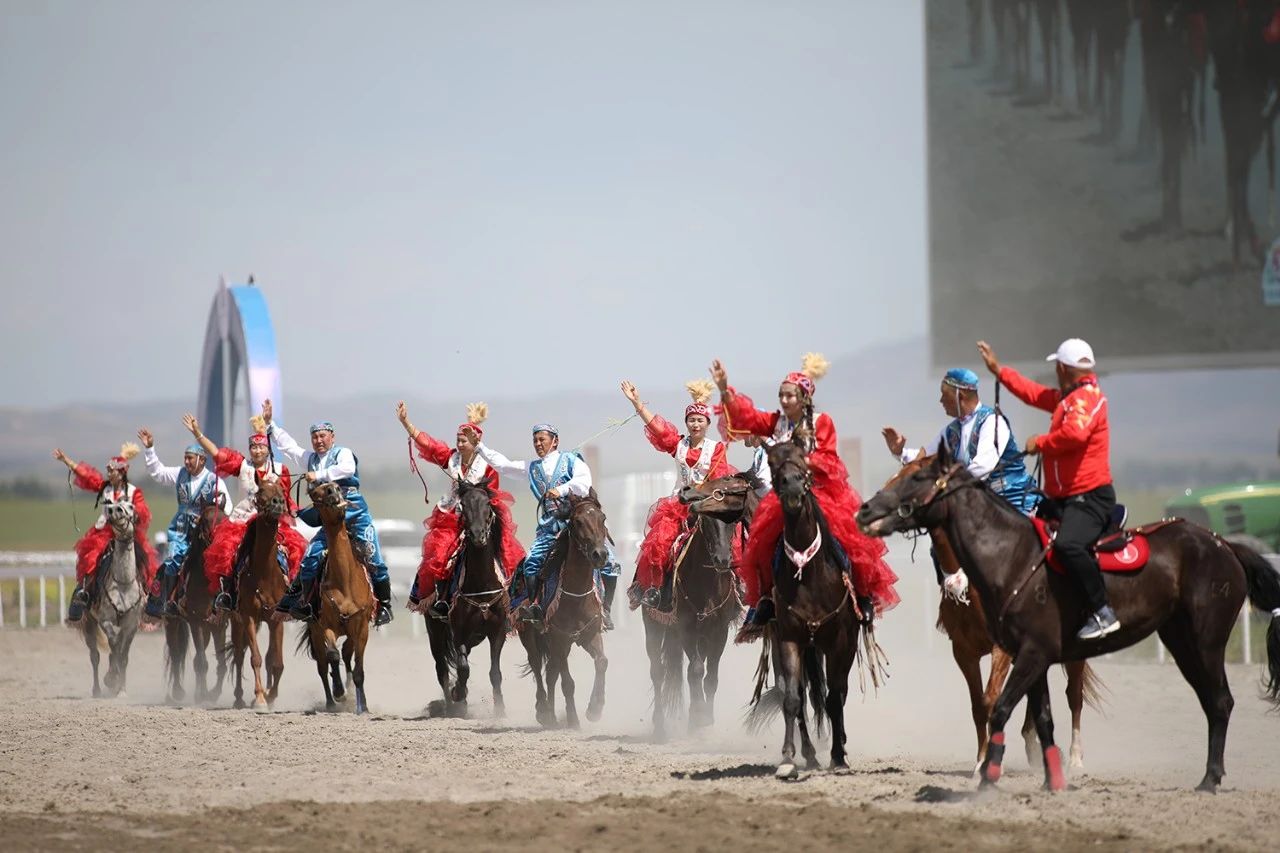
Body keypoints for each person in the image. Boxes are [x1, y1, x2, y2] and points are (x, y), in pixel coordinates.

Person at [713, 353, 900, 630]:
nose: (784, 400)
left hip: (820, 493)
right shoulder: (776, 422)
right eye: (781, 395)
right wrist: (725, 389)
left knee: (844, 541)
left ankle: (861, 596)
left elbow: (829, 458)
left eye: (790, 395)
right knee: (763, 544)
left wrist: (798, 461)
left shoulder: (821, 422)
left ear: (804, 396)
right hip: (783, 498)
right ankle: (766, 598)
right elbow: (746, 417)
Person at [978, 338, 1119, 640]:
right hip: (1065, 498)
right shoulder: (1068, 399)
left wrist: (1039, 442)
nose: (1055, 371)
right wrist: (999, 371)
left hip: (1088, 498)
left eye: (1057, 367)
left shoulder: (1086, 400)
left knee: (1068, 545)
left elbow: (1075, 434)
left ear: (1063, 368)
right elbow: (1034, 394)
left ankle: (1102, 610)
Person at [261, 399, 394, 626]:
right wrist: (270, 424)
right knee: (309, 559)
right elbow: (289, 447)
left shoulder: (343, 453)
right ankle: (306, 604)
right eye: (315, 437)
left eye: (323, 436)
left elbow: (348, 469)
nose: (319, 440)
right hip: (329, 521)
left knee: (375, 559)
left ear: (332, 437)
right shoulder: (310, 459)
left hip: (355, 516)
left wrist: (320, 476)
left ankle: (385, 606)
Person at [471, 424, 620, 626]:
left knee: (609, 561)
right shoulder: (532, 467)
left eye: (542, 439)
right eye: (535, 440)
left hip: (578, 523)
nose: (538, 444)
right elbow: (503, 465)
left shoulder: (571, 460)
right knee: (531, 562)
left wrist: (562, 489)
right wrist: (479, 446)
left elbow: (584, 483)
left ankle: (607, 610)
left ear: (555, 441)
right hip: (550, 526)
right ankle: (535, 607)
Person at [396, 401, 525, 617]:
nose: (460, 443)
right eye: (458, 439)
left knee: (508, 554)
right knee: (438, 555)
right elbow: (428, 445)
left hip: (481, 518)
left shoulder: (488, 465)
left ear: (475, 441)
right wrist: (406, 423)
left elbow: (491, 496)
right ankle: (439, 599)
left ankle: (513, 601)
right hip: (452, 517)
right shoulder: (451, 458)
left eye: (464, 440)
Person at [621, 378, 732, 611]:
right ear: (686, 422)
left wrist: (703, 495)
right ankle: (651, 589)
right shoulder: (678, 444)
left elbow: (719, 478)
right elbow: (657, 429)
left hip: (706, 506)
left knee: (728, 538)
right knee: (659, 540)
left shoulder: (716, 449)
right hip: (677, 506)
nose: (696, 424)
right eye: (691, 420)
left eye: (700, 420)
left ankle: (737, 592)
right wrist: (637, 403)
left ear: (707, 423)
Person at [183, 413, 305, 613]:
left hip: (271, 521)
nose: (257, 450)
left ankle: (291, 595)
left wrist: (291, 510)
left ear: (268, 449)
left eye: (262, 447)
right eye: (254, 447)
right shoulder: (242, 466)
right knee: (229, 553)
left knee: (290, 553)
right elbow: (217, 454)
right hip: (243, 520)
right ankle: (228, 594)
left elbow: (286, 499)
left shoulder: (281, 470)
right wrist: (198, 433)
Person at [52, 444, 158, 622]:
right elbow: (88, 476)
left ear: (121, 472)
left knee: (144, 562)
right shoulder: (105, 488)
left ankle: (148, 600)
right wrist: (67, 461)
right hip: (105, 534)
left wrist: (132, 513)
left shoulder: (133, 492)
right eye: (108, 471)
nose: (109, 474)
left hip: (127, 534)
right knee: (91, 559)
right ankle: (84, 593)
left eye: (112, 471)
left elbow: (143, 511)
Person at [138, 428, 230, 619]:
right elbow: (158, 473)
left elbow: (226, 507)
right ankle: (166, 602)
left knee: (221, 563)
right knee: (172, 560)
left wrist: (211, 521)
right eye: (185, 458)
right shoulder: (179, 474)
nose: (186, 462)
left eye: (190, 458)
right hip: (180, 531)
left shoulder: (215, 481)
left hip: (206, 534)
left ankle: (225, 599)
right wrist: (149, 449)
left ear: (202, 460)